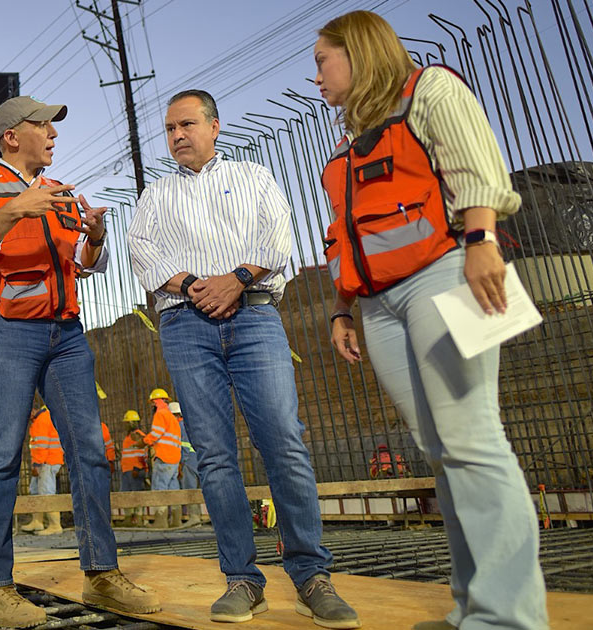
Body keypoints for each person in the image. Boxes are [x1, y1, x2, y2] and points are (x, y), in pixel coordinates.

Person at [315, 11, 547, 630]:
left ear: (359, 54)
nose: (317, 77)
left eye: (322, 61)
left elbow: (475, 165)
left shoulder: (430, 90)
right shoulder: (348, 144)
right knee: (439, 450)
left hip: (444, 274)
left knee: (472, 440)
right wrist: (342, 307)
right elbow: (345, 237)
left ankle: (509, 618)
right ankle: (472, 604)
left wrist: (482, 240)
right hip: (379, 304)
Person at [127, 89, 357, 627]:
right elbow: (142, 250)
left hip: (254, 317)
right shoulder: (156, 194)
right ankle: (242, 580)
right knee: (213, 452)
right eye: (169, 128)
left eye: (186, 124)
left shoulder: (255, 178)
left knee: (283, 439)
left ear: (214, 126)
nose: (176, 135)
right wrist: (192, 284)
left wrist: (236, 280)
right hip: (185, 323)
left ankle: (311, 577)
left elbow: (279, 240)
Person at [0, 95, 159, 627]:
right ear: (12, 136)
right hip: (8, 331)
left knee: (89, 450)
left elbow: (89, 264)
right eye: (43, 125)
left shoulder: (60, 192)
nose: (54, 134)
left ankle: (103, 575)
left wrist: (96, 236)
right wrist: (14, 210)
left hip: (66, 334)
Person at [140, 389, 182, 528]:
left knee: (159, 488)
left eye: (152, 403)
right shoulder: (172, 418)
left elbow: (156, 434)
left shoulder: (161, 414)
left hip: (164, 457)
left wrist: (143, 441)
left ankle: (161, 521)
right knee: (173, 489)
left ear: (155, 402)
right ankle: (176, 521)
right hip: (175, 459)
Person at [22, 406, 64, 536]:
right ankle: (37, 521)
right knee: (35, 491)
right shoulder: (42, 419)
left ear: (32, 409)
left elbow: (41, 446)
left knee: (46, 492)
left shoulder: (42, 420)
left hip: (47, 462)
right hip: (46, 461)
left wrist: (37, 465)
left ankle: (55, 525)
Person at [118, 410, 148, 526]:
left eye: (127, 422)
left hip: (135, 470)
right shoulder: (129, 436)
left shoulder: (139, 436)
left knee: (137, 494)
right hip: (127, 470)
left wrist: (137, 468)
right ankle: (128, 518)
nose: (125, 425)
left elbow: (142, 453)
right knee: (125, 494)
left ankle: (139, 518)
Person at [173, 402, 200, 525]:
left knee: (190, 489)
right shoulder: (191, 423)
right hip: (197, 459)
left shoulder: (179, 426)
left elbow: (182, 446)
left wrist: (181, 463)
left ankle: (194, 518)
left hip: (188, 461)